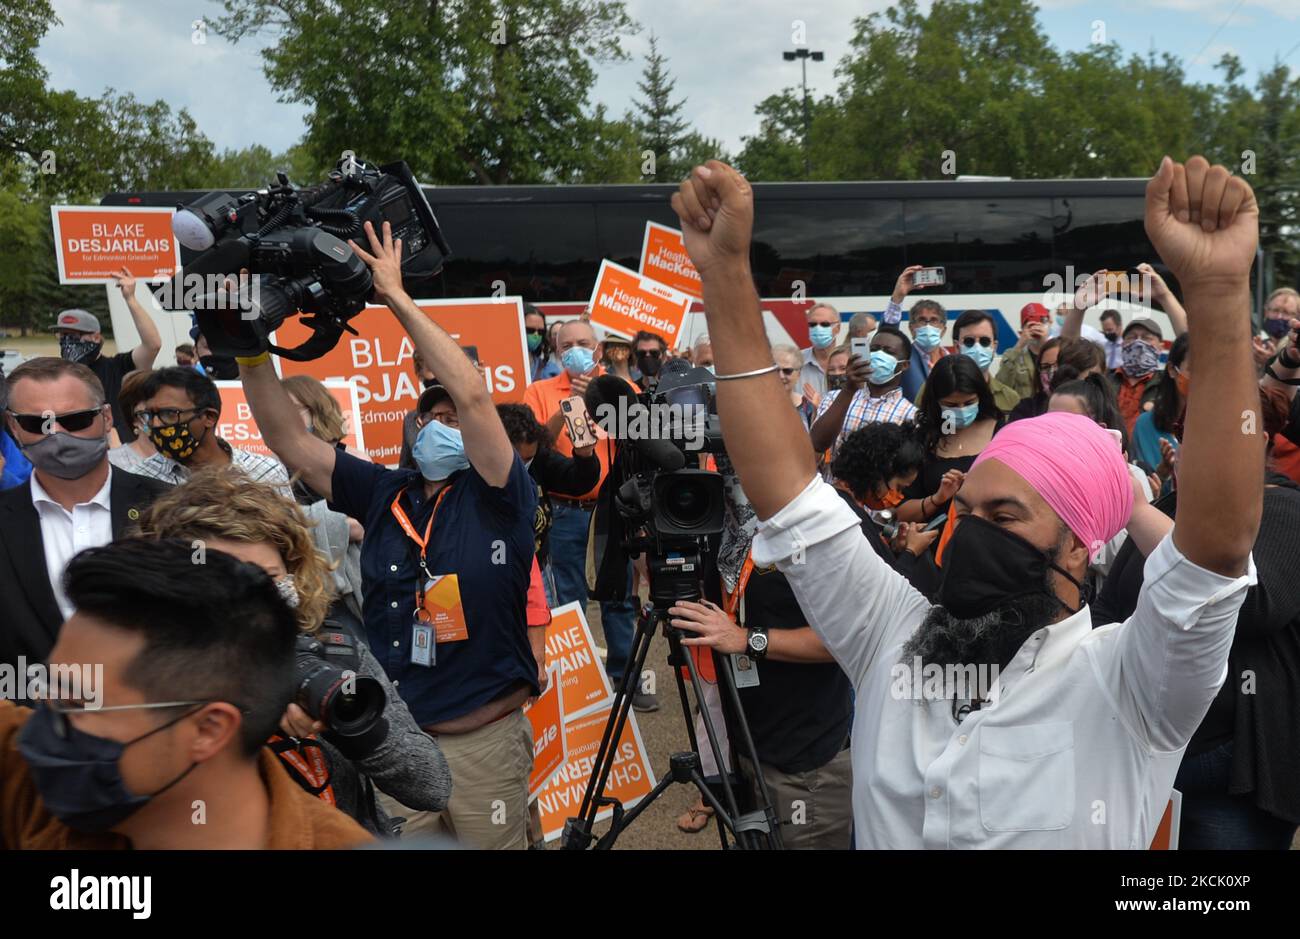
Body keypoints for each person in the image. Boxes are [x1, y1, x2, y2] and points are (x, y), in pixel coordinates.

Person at [670, 153, 1261, 848]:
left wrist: (1220, 292)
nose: (970, 531)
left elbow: (1214, 550)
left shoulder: (1131, 684)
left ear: (1080, 544)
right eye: (966, 511)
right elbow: (788, 490)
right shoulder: (891, 634)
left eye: (1004, 516)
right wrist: (727, 276)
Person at [241, 221, 538, 849]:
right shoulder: (384, 491)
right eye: (436, 415)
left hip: (481, 739)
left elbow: (478, 398)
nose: (447, 424)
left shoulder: (500, 498)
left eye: (456, 418)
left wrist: (395, 297)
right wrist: (247, 348)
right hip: (396, 743)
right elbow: (288, 441)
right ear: (416, 422)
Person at [135, 470, 452, 837]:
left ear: (293, 574)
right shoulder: (148, 683)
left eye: (267, 577)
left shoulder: (335, 655)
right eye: (224, 580)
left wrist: (347, 724)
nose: (253, 597)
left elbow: (432, 787)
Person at [1, 538, 372, 849]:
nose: (42, 725)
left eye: (77, 704)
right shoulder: (33, 790)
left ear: (208, 729)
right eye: (48, 691)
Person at [1092, 385, 1297, 849]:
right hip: (1137, 751)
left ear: (1261, 440)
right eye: (1190, 432)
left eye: (1220, 434)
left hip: (1226, 770)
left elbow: (1252, 603)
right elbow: (1108, 607)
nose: (1198, 446)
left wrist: (1135, 507)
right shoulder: (1170, 508)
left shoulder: (1285, 509)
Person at [0, 358, 167, 672]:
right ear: (13, 426)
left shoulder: (172, 507)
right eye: (38, 424)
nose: (58, 435)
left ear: (106, 418)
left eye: (76, 420)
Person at [523, 318, 645, 707]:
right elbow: (531, 444)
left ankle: (626, 679)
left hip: (615, 511)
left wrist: (600, 400)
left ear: (598, 349)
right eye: (567, 345)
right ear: (558, 353)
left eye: (584, 343)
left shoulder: (624, 389)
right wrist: (565, 408)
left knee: (620, 595)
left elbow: (642, 441)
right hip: (564, 510)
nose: (575, 350)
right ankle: (576, 684)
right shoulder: (539, 390)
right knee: (567, 600)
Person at [496, 402, 600, 602]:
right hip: (494, 572)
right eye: (517, 459)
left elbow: (577, 481)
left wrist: (585, 455)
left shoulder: (540, 460)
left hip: (538, 569)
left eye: (529, 459)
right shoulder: (476, 469)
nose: (523, 466)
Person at [133, 367, 292, 497]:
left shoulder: (264, 472)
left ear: (209, 417)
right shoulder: (139, 479)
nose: (155, 424)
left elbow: (291, 533)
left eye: (169, 414)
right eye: (148, 416)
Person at [55, 269, 162, 443]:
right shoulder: (57, 376)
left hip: (121, 454)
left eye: (75, 336)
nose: (68, 342)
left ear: (96, 337)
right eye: (63, 336)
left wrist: (130, 299)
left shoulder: (118, 367)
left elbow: (153, 345)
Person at [895, 354, 1000, 525]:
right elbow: (901, 512)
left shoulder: (1002, 432)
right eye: (950, 405)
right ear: (936, 403)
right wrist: (938, 498)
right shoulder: (924, 439)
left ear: (981, 395)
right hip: (938, 544)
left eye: (969, 402)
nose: (961, 410)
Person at [810, 325, 916, 461]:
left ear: (905, 365)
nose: (879, 355)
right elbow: (817, 443)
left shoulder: (910, 415)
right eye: (874, 349)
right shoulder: (834, 398)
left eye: (888, 352)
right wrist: (849, 389)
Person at [920, 309, 1019, 413]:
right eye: (969, 341)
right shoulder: (932, 389)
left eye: (984, 341)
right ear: (957, 346)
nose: (977, 347)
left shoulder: (1010, 398)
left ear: (994, 347)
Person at [880, 265, 949, 403]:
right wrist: (898, 296)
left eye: (934, 320)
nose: (928, 325)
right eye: (922, 320)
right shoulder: (903, 356)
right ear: (911, 328)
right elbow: (885, 338)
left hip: (946, 423)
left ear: (943, 329)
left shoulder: (952, 360)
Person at [1132, 333, 1189, 493]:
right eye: (1194, 369)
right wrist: (1163, 473)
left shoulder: (1222, 426)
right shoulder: (1146, 425)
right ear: (1172, 370)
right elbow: (1145, 492)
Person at [995, 303, 1052, 402]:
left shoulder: (1056, 351)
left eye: (1041, 322)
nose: (1036, 328)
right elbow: (1001, 386)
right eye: (1031, 325)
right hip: (1025, 413)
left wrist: (1045, 345)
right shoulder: (1013, 355)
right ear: (1022, 330)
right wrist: (1019, 345)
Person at [106, 371, 158, 473]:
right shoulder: (112, 463)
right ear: (135, 419)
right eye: (151, 412)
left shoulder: (184, 456)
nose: (160, 419)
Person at [798, 302, 841, 400]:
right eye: (812, 324)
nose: (818, 328)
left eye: (825, 324)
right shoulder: (796, 362)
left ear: (837, 328)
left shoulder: (848, 361)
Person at [525, 303, 561, 381]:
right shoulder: (498, 368)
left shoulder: (551, 371)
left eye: (540, 331)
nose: (536, 335)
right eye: (530, 330)